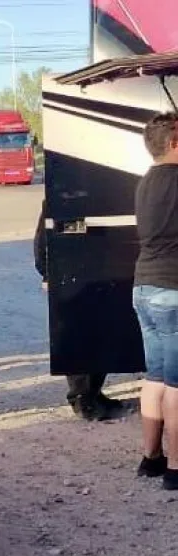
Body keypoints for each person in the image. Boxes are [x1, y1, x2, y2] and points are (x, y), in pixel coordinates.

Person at [33, 200, 130, 422]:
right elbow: (43, 240)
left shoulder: (98, 197)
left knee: (100, 336)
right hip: (69, 277)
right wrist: (47, 273)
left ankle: (93, 392)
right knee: (77, 339)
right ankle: (80, 399)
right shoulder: (59, 199)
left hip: (97, 274)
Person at [132, 112, 178, 487]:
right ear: (173, 142)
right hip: (173, 291)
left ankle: (151, 458)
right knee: (177, 384)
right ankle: (177, 468)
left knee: (156, 376)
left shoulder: (146, 181)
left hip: (144, 288)